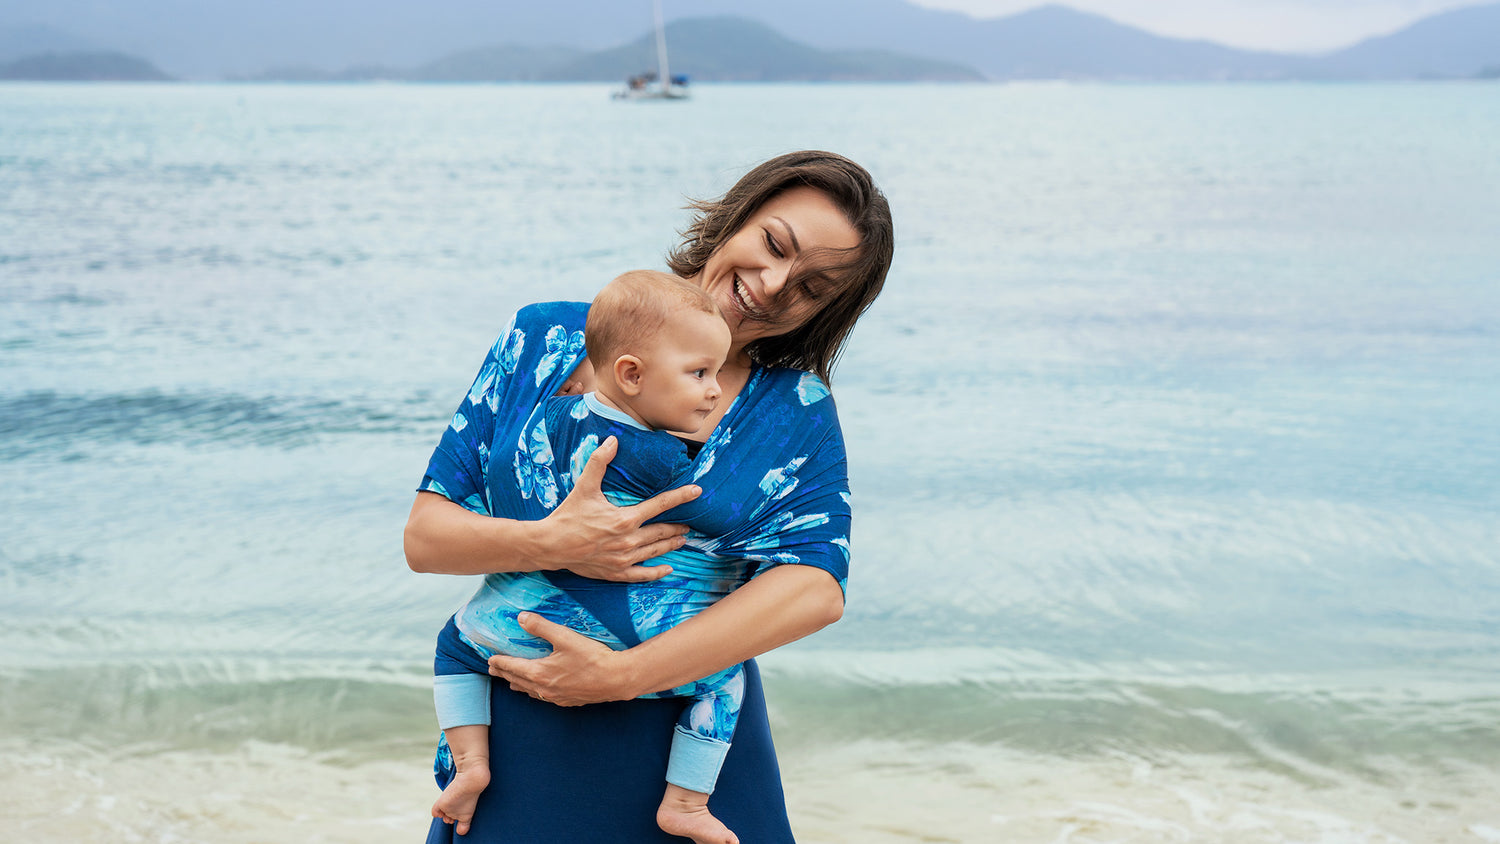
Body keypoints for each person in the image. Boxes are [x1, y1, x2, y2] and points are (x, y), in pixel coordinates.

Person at [406, 150, 894, 843]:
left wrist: (622, 675)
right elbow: (426, 538)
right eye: (774, 244)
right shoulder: (543, 338)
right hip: (518, 736)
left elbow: (816, 587)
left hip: (692, 754)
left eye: (813, 288)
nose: (777, 283)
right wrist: (553, 542)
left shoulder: (795, 408)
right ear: (734, 218)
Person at [430, 269, 749, 843]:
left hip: (506, 630)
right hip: (621, 637)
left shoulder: (550, 415)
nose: (714, 391)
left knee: (454, 644)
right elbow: (723, 505)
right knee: (724, 678)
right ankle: (685, 802)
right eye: (699, 373)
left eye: (717, 374)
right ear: (631, 374)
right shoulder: (661, 453)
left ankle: (472, 764)